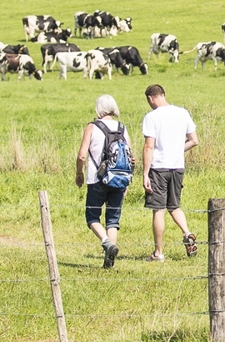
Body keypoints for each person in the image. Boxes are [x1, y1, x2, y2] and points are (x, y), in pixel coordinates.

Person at [140, 84, 199, 261]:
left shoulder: (151, 117)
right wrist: (176, 151)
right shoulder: (183, 113)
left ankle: (158, 253)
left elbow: (149, 146)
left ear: (150, 98)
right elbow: (194, 140)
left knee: (158, 210)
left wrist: (144, 173)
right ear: (163, 95)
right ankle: (187, 233)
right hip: (177, 166)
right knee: (174, 206)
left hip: (158, 168)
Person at [75, 95, 131, 268]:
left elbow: (82, 155)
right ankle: (110, 261)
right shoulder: (122, 128)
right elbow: (130, 157)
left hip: (96, 178)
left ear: (99, 108)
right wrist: (127, 181)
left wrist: (79, 173)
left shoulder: (92, 127)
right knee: (113, 220)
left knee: (92, 217)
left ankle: (107, 243)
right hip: (119, 178)